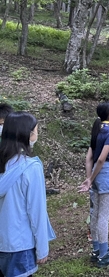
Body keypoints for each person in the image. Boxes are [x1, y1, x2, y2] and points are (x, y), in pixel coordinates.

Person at [0, 112, 55, 276]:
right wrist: (42, 248)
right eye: (36, 130)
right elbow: (36, 210)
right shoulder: (31, 167)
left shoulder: (3, 165)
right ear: (28, 134)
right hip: (20, 244)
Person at [78, 101, 109, 267]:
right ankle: (104, 255)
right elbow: (102, 158)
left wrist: (90, 178)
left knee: (96, 213)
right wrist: (92, 177)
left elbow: (89, 158)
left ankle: (97, 249)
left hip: (96, 176)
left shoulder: (97, 129)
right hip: (106, 174)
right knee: (104, 216)